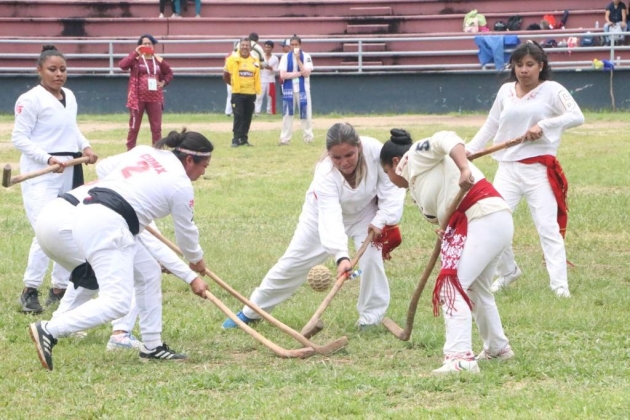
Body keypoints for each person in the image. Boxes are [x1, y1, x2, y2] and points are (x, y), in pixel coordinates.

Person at [28, 130, 211, 371]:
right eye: (204, 166)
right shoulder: (181, 185)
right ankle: (50, 329)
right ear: (189, 160)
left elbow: (104, 169)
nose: (204, 171)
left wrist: (129, 189)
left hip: (90, 212)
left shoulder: (146, 151)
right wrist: (195, 260)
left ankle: (152, 346)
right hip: (108, 225)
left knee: (147, 272)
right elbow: (186, 231)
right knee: (117, 302)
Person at [221, 122, 405, 330]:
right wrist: (341, 256)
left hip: (367, 215)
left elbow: (392, 188)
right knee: (292, 263)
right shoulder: (324, 173)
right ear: (328, 154)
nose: (344, 162)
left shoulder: (375, 151)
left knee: (371, 259)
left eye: (349, 155)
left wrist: (381, 219)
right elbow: (330, 216)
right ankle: (251, 312)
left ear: (359, 147)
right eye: (337, 157)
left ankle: (370, 318)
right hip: (319, 217)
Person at [380, 129, 514, 375]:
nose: (389, 179)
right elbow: (444, 206)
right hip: (485, 220)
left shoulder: (414, 156)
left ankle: (460, 358)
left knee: (451, 285)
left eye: (386, 172)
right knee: (474, 287)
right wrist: (446, 227)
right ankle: (497, 347)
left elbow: (446, 137)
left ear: (395, 163)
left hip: (484, 214)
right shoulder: (417, 183)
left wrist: (464, 168)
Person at [466, 41, 584, 298]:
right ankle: (508, 272)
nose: (524, 70)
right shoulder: (506, 91)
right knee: (491, 223)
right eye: (519, 65)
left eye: (530, 64)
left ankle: (559, 286)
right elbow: (491, 125)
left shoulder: (552, 90)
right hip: (507, 169)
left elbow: (577, 116)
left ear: (541, 66)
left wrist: (545, 125)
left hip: (538, 170)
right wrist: (469, 152)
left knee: (547, 227)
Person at [11, 45, 98, 314]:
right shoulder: (29, 100)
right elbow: (19, 138)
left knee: (67, 228)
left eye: (62, 69)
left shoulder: (69, 96)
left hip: (70, 168)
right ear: (39, 70)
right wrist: (48, 159)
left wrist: (85, 147)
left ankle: (59, 288)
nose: (58, 74)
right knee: (45, 231)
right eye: (52, 69)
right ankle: (30, 290)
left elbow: (72, 127)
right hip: (43, 173)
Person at [120, 34, 174, 151]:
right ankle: (130, 151)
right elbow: (122, 65)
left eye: (149, 43)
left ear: (153, 45)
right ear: (140, 45)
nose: (147, 45)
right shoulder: (136, 59)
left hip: (155, 98)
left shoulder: (158, 60)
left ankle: (157, 151)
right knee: (134, 127)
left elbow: (169, 73)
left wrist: (163, 82)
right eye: (144, 43)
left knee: (156, 128)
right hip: (137, 98)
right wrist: (135, 53)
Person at [223, 38, 261, 147]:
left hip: (251, 93)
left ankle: (244, 139)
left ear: (250, 47)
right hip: (238, 93)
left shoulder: (255, 59)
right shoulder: (232, 59)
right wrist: (234, 85)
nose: (245, 47)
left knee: (247, 116)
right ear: (239, 46)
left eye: (247, 45)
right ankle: (235, 139)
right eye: (243, 45)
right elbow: (225, 75)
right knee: (238, 116)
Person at [279, 35, 314, 145]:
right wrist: (299, 74)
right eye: (292, 45)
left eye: (296, 45)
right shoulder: (285, 57)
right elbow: (283, 75)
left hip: (303, 89)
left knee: (306, 114)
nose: (294, 47)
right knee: (287, 114)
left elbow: (307, 73)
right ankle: (285, 138)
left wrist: (298, 60)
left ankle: (308, 137)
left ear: (300, 45)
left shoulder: (306, 56)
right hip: (289, 89)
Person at [254, 40, 279, 115]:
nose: (267, 49)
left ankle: (269, 111)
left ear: (272, 48)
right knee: (259, 96)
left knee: (270, 97)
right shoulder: (260, 57)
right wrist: (261, 66)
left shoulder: (275, 58)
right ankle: (257, 111)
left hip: (270, 80)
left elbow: (277, 70)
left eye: (269, 47)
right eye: (266, 47)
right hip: (261, 79)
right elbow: (255, 66)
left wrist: (271, 68)